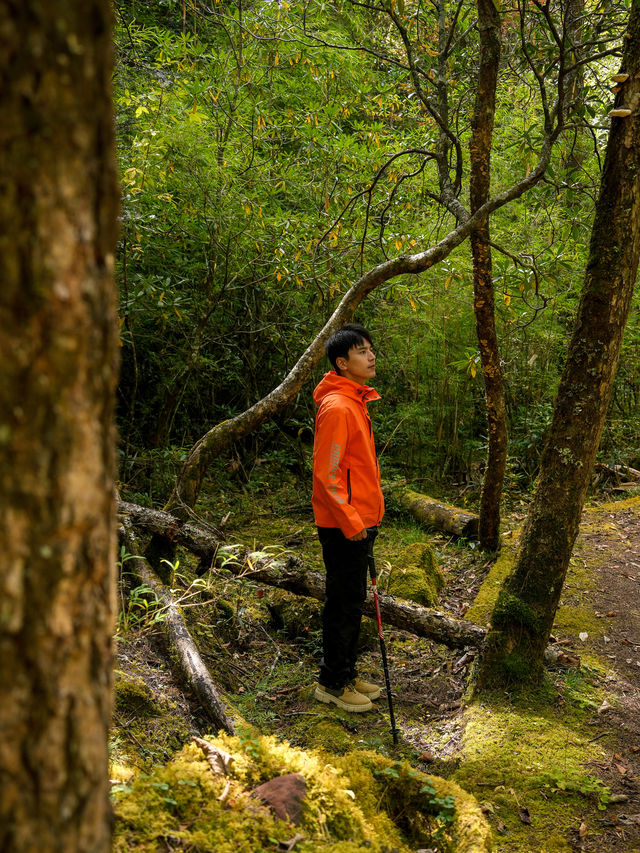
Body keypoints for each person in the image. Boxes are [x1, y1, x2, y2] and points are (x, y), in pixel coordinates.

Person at [311, 323, 385, 712]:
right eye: (362, 352)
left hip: (359, 521)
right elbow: (328, 474)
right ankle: (332, 683)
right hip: (345, 526)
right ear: (342, 363)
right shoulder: (338, 407)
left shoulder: (354, 401)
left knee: (352, 599)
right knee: (342, 602)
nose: (371, 356)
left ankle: (346, 671)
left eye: (371, 349)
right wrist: (352, 521)